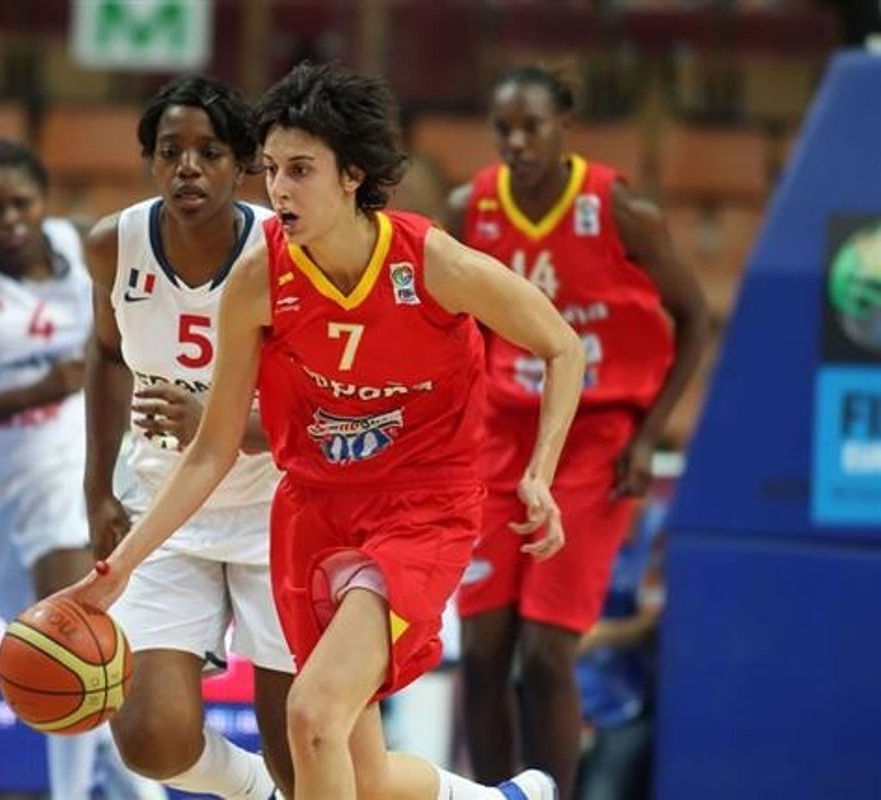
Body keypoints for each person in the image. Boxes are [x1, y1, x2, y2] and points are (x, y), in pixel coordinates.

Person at [68, 61, 586, 800]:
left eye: (301, 169)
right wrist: (122, 565)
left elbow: (562, 345)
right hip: (312, 513)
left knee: (311, 718)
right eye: (273, 169)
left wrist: (540, 473)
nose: (279, 188)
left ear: (352, 175)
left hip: (419, 511)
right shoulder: (259, 280)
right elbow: (211, 450)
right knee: (357, 774)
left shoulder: (430, 263)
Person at [448, 65, 709, 799]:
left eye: (532, 126)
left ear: (564, 124)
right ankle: (494, 796)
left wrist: (648, 435)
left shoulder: (620, 209)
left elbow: (693, 318)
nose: (517, 142)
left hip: (595, 437)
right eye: (504, 129)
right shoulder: (471, 209)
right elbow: (448, 326)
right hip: (502, 433)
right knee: (482, 652)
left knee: (546, 654)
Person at [0, 139, 159, 800]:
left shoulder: (84, 248)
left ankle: (84, 794)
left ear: (46, 202)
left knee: (75, 640)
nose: (10, 220)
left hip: (61, 458)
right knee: (57, 659)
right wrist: (36, 391)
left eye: (22, 204)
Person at [83, 75, 295, 800]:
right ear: (150, 161)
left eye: (209, 152)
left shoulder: (286, 250)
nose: (188, 168)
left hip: (277, 511)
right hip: (166, 508)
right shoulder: (114, 244)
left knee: (305, 749)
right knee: (150, 738)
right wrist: (96, 490)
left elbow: (323, 409)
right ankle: (254, 788)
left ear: (243, 165)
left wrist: (218, 423)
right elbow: (106, 356)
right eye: (170, 151)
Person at [574, 500, 666, 800]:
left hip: (626, 703)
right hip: (566, 697)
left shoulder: (657, 532)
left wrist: (597, 636)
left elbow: (653, 623)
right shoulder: (575, 518)